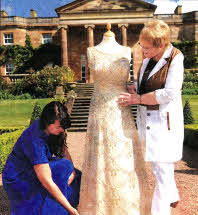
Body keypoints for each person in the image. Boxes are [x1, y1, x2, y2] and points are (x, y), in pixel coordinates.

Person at [78, 24, 151, 215]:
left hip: (121, 107)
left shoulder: (127, 50)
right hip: (100, 110)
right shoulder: (91, 51)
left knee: (123, 153)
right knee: (101, 154)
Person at [118, 19, 184, 215]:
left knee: (162, 171)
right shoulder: (148, 59)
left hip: (165, 123)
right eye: (141, 45)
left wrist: (137, 98)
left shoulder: (176, 58)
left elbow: (168, 93)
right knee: (158, 166)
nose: (142, 50)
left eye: (146, 47)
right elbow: (145, 84)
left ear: (160, 45)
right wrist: (134, 88)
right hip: (147, 122)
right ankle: (172, 196)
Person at [2, 101, 80, 215]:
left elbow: (65, 154)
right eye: (59, 127)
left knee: (76, 175)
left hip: (33, 169)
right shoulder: (34, 139)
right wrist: (70, 209)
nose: (62, 130)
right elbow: (46, 181)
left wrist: (72, 173)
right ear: (48, 123)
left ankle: (56, 206)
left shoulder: (54, 130)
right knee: (63, 168)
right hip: (18, 177)